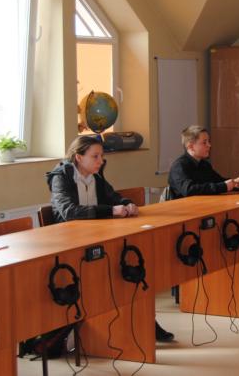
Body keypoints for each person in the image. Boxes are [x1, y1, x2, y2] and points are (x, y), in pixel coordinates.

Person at [46, 136, 174, 341]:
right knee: (113, 274)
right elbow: (70, 212)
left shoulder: (95, 176)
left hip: (97, 237)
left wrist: (127, 203)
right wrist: (110, 210)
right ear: (79, 157)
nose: (101, 161)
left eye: (102, 156)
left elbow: (114, 197)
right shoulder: (61, 177)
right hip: (70, 244)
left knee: (128, 269)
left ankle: (146, 322)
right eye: (95, 156)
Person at [168, 125, 239, 199]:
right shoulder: (178, 166)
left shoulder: (204, 164)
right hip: (185, 207)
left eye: (208, 141)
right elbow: (189, 190)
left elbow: (218, 181)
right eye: (204, 142)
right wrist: (224, 186)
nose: (209, 145)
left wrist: (234, 183)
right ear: (191, 147)